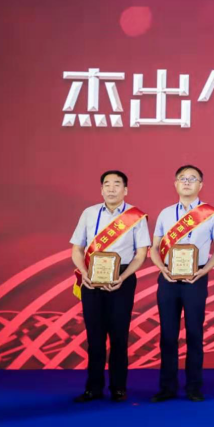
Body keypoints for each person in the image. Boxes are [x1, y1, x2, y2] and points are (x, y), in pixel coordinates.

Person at [70, 170, 150, 403]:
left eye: (117, 184)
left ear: (125, 190)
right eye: (107, 184)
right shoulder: (89, 213)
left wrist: (123, 277)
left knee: (118, 336)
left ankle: (118, 387)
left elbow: (141, 254)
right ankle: (93, 388)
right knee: (94, 336)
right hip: (91, 277)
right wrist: (85, 273)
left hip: (122, 278)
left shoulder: (136, 216)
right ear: (101, 189)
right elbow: (77, 249)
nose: (111, 188)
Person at [149, 165, 214, 402]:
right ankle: (167, 387)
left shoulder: (211, 213)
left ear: (201, 185)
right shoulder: (165, 214)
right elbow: (154, 248)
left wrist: (203, 272)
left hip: (196, 279)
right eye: (183, 178)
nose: (187, 182)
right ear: (175, 184)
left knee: (194, 333)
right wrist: (162, 269)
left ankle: (194, 387)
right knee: (168, 334)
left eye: (193, 179)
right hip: (168, 278)